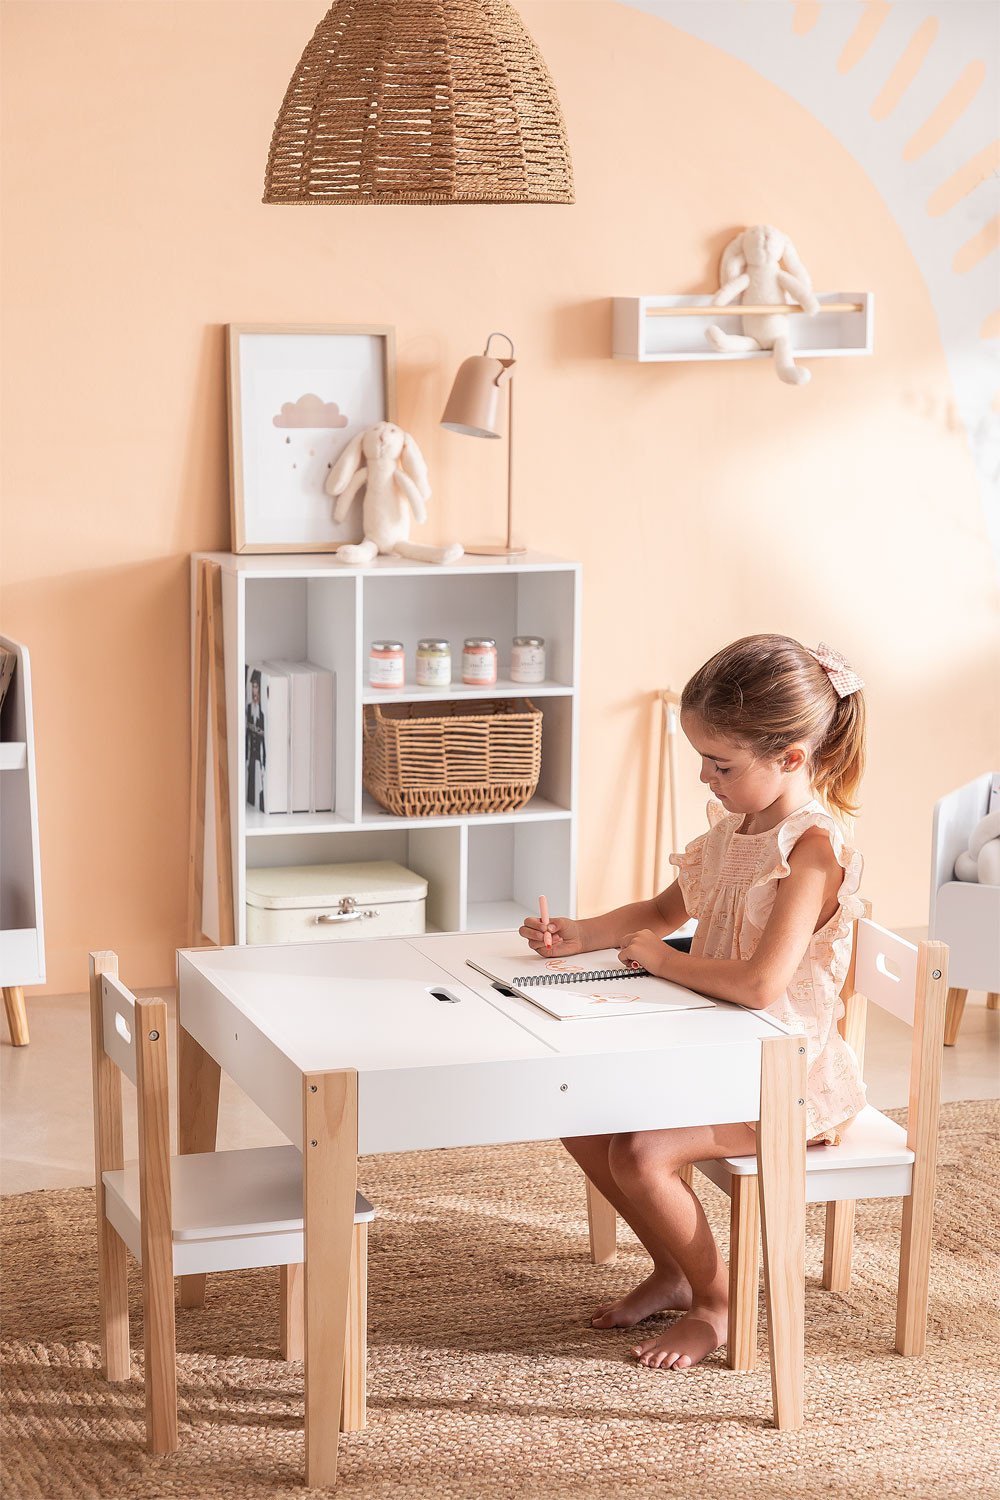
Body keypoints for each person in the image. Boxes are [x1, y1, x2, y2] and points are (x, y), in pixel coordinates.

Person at [519, 634, 867, 1374]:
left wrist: (660, 960)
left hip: (786, 1078)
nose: (706, 778)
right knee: (579, 1115)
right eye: (702, 760)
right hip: (718, 1054)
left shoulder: (813, 852)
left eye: (721, 763)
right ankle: (674, 1268)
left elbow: (759, 985)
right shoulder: (735, 829)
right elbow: (657, 908)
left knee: (644, 1152)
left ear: (791, 758)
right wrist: (576, 934)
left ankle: (719, 1304)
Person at [246, 669, 266, 811]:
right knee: (250, 791)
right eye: (253, 686)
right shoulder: (248, 708)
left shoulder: (262, 713)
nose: (254, 690)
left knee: (260, 790)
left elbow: (264, 743)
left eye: (256, 686)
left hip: (259, 759)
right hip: (250, 757)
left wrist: (264, 763)